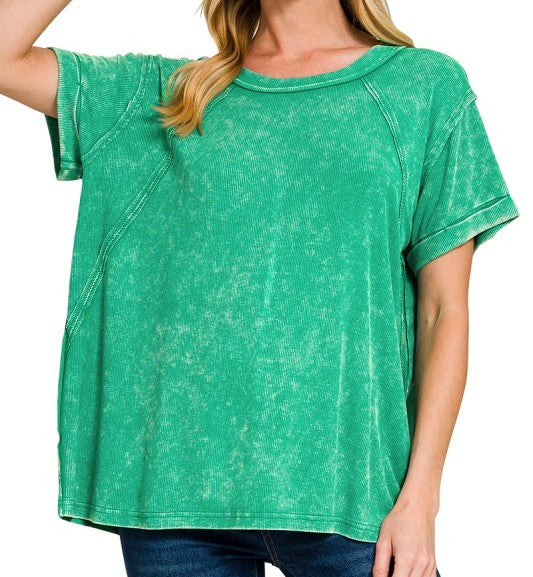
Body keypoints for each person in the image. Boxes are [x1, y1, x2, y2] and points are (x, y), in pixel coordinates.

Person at [0, 0, 521, 576]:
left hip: (349, 495)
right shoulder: (166, 96)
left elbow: (442, 311)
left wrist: (421, 496)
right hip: (176, 499)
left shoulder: (421, 87)